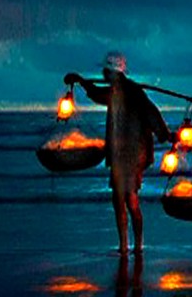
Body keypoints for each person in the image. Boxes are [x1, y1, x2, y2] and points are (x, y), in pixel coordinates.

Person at [65, 51, 171, 254]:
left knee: (127, 199)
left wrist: (80, 81)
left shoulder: (124, 92)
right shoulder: (126, 90)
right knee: (123, 199)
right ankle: (129, 246)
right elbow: (152, 114)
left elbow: (99, 95)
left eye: (106, 70)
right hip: (126, 155)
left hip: (130, 155)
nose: (103, 73)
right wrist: (164, 134)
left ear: (112, 71)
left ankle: (132, 246)